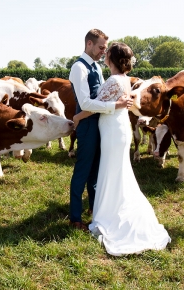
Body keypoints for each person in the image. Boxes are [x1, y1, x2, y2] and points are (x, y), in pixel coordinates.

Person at [73, 42, 171, 255]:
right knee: (118, 171)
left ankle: (110, 214)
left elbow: (92, 106)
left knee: (111, 171)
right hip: (118, 129)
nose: (103, 55)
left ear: (111, 59)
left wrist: (77, 117)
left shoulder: (113, 80)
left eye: (106, 53)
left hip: (112, 131)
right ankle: (113, 207)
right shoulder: (126, 80)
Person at [69, 29, 133, 231]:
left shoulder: (96, 66)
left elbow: (104, 94)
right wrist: (115, 105)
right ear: (89, 44)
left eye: (105, 48)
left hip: (101, 124)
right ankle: (75, 216)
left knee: (96, 171)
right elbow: (86, 102)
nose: (103, 52)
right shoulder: (79, 68)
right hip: (87, 126)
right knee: (83, 170)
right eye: (100, 47)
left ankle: (95, 209)